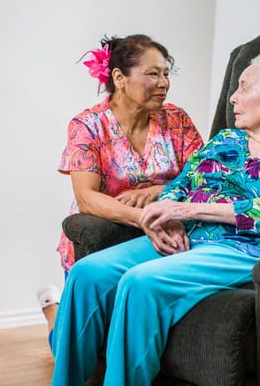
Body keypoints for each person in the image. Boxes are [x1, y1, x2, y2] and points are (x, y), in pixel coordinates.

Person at [50, 50, 260, 386]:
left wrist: (188, 211)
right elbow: (180, 186)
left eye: (243, 88)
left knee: (141, 282)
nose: (233, 98)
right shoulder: (226, 140)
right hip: (188, 236)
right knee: (87, 273)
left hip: (247, 249)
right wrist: (164, 220)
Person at [36, 34, 203, 335]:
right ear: (119, 77)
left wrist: (160, 191)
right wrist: (146, 218)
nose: (164, 82)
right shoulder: (87, 125)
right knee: (70, 346)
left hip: (166, 233)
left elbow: (204, 177)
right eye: (153, 73)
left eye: (166, 74)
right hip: (113, 231)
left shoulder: (177, 120)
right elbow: (86, 198)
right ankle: (53, 312)